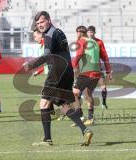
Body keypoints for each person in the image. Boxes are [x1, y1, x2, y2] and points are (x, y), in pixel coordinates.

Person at [23, 11, 93, 146]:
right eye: (37, 23)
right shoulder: (59, 32)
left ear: (49, 20)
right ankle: (85, 130)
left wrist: (32, 64)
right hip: (67, 72)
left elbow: (47, 56)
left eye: (42, 22)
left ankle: (47, 139)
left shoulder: (49, 35)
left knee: (44, 104)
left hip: (56, 72)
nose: (40, 25)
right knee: (61, 103)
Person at [72, 26, 112, 126]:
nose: (77, 35)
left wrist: (73, 66)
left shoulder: (82, 41)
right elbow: (105, 57)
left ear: (80, 33)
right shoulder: (95, 42)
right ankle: (90, 118)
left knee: (74, 93)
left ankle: (80, 117)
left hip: (86, 73)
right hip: (97, 73)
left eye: (77, 33)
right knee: (88, 94)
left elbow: (79, 53)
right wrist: (108, 71)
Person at [87, 26, 112, 109]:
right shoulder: (84, 42)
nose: (90, 34)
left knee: (103, 87)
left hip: (98, 70)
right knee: (84, 91)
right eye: (88, 32)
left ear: (94, 33)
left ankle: (104, 103)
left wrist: (108, 71)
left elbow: (104, 56)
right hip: (86, 70)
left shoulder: (99, 42)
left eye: (91, 32)